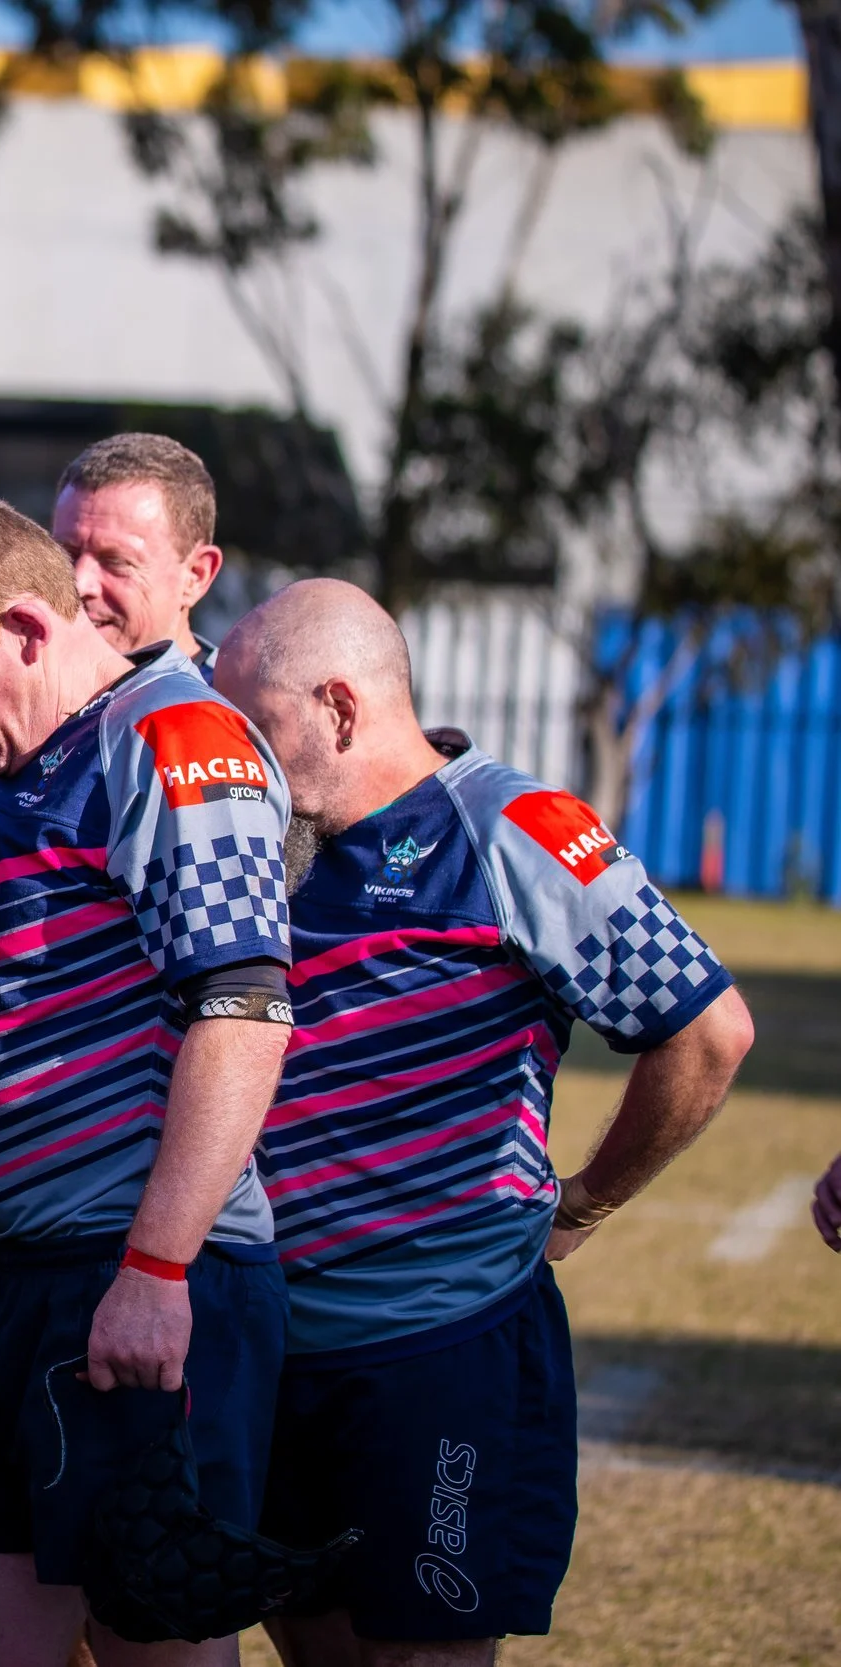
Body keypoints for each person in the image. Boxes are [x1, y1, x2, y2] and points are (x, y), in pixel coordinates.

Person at [211, 579, 755, 1667]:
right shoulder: (266, 846)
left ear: (339, 706)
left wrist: (585, 1200)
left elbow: (707, 1032)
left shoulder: (513, 829)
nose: (243, 761)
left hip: (438, 1349)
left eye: (256, 728)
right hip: (273, 1345)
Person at [0, 494, 297, 1667]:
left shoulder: (170, 734)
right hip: (13, 1283)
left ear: (24, 627)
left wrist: (157, 1269)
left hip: (137, 1272)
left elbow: (244, 1009)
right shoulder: (2, 750)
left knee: (156, 1637)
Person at [49, 434, 224, 663]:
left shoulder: (232, 698)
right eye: (66, 555)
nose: (80, 584)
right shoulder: (24, 692)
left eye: (116, 562)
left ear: (196, 575)